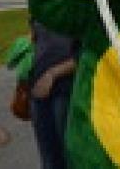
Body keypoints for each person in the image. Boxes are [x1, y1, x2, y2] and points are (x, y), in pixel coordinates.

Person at [30, 20, 78, 169]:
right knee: (48, 156)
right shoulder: (39, 11)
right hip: (38, 88)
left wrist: (52, 74)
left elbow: (87, 55)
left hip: (66, 90)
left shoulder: (78, 10)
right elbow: (36, 43)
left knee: (69, 154)